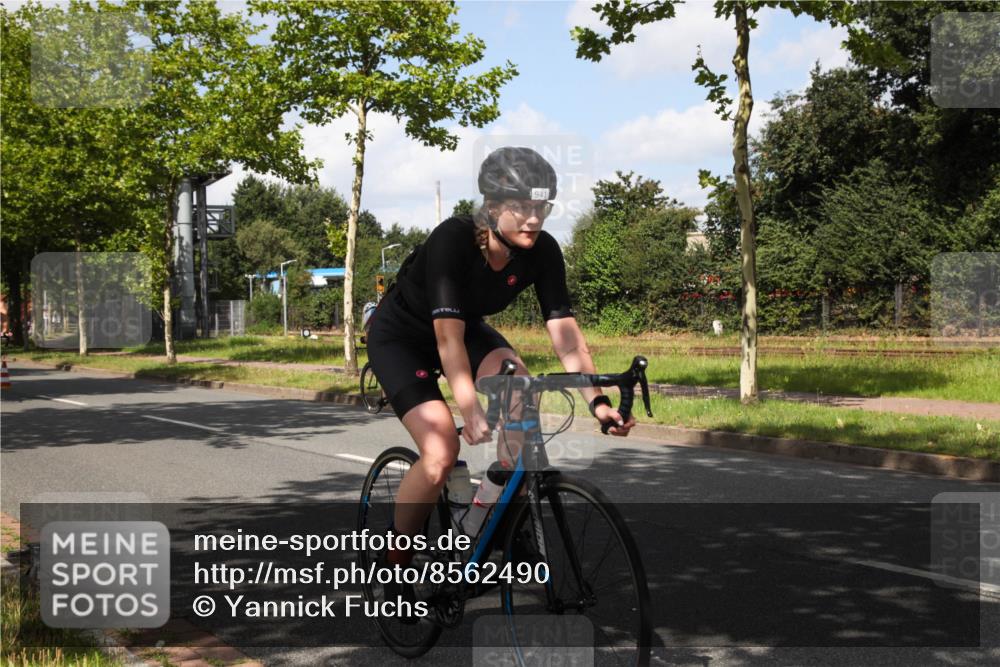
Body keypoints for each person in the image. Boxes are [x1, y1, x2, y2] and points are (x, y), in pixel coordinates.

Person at [366, 146, 637, 573]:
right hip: (401, 337)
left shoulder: (542, 251)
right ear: (492, 207)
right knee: (440, 452)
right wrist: (470, 408)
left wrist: (598, 402)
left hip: (465, 330)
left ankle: (495, 516)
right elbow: (447, 339)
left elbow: (566, 337)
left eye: (541, 207)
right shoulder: (454, 239)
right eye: (522, 207)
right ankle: (394, 556)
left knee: (521, 394)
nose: (534, 219)